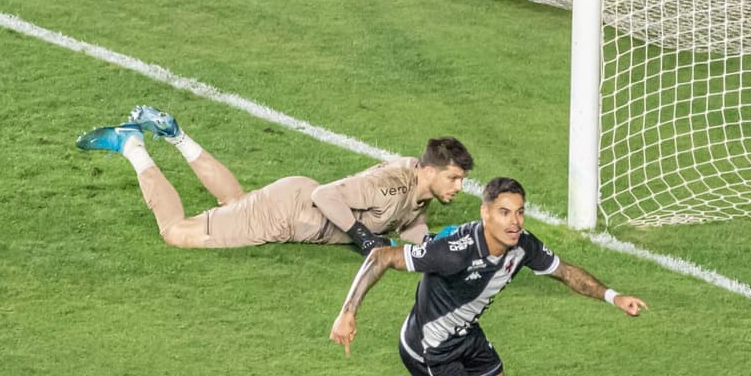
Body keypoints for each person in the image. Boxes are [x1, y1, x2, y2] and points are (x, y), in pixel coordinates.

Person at [330, 177, 648, 376]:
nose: (515, 222)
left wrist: (614, 297)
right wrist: (348, 311)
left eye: (520, 213)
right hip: (431, 353)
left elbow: (565, 272)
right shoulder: (454, 251)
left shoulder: (523, 245)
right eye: (505, 213)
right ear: (485, 213)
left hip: (467, 336)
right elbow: (381, 257)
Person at [75, 106, 473, 253]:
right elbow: (326, 194)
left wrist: (438, 245)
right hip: (286, 214)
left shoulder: (418, 189)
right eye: (454, 178)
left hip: (288, 201)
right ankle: (131, 145)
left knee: (237, 202)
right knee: (176, 233)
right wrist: (361, 236)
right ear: (431, 171)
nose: (457, 187)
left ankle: (176, 136)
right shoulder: (390, 184)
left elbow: (409, 225)